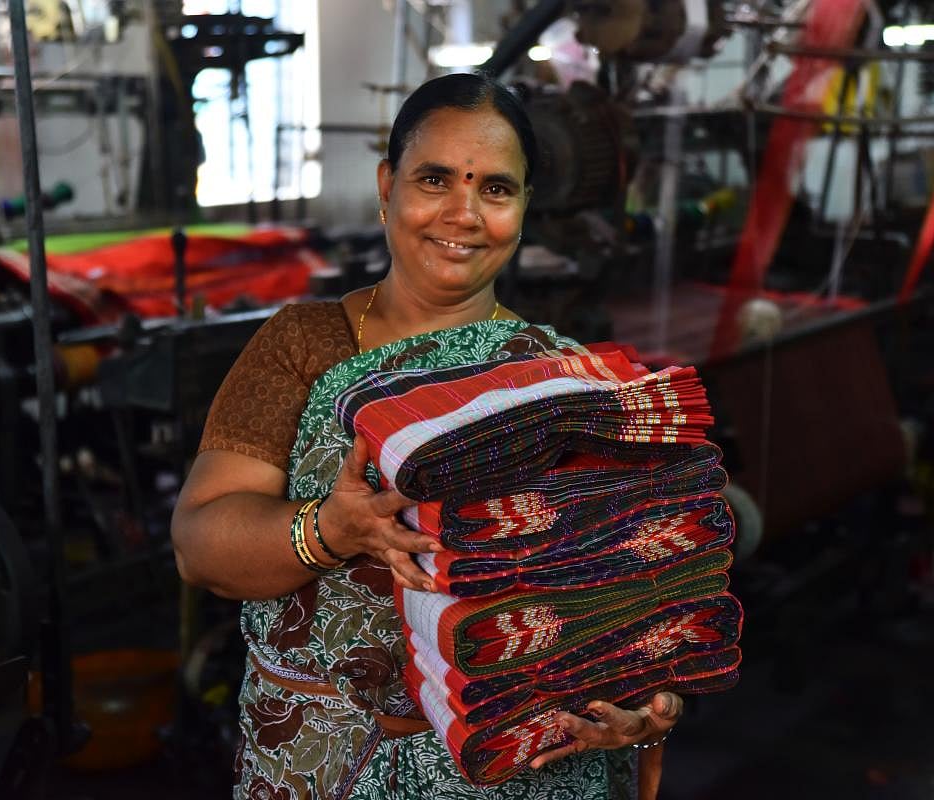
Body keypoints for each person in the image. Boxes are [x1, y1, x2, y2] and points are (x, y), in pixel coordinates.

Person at [171, 72, 682, 800]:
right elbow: (199, 545)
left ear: (524, 206)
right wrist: (331, 530)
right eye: (435, 179)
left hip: (518, 773)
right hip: (324, 762)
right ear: (388, 185)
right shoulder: (304, 346)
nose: (463, 214)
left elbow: (633, 591)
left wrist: (642, 706)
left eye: (495, 189)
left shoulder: (565, 382)